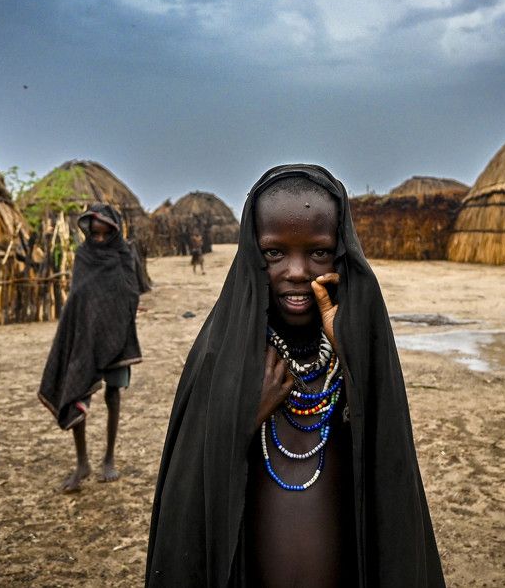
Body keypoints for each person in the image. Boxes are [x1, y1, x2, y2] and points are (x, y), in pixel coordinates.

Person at [145, 165, 445, 586]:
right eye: (274, 253)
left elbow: (389, 477)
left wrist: (352, 353)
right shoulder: (222, 353)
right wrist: (244, 416)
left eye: (319, 252)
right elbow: (188, 499)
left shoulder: (355, 352)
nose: (298, 271)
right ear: (252, 252)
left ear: (341, 251)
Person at [38, 203, 142, 491]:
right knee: (77, 389)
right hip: (86, 337)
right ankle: (82, 461)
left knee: (113, 394)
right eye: (93, 234)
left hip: (118, 334)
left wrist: (114, 315)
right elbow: (78, 295)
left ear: (113, 230)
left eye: (102, 234)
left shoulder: (123, 253)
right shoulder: (84, 255)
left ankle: (109, 457)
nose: (97, 239)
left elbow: (131, 291)